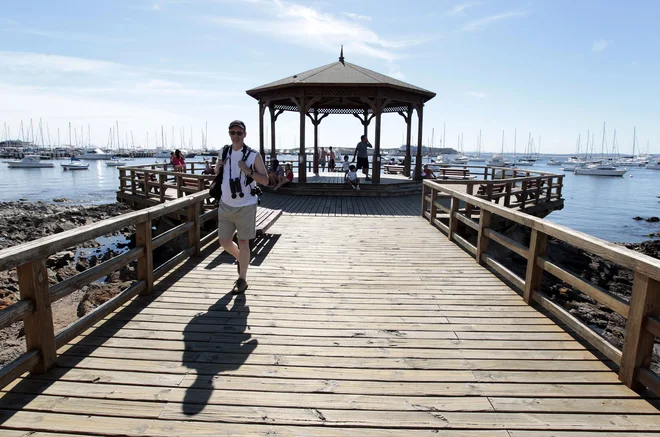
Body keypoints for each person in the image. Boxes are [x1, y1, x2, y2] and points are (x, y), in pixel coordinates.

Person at [214, 120, 269, 294]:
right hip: (225, 204)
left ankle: (242, 279)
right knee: (223, 241)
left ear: (245, 134)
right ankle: (241, 259)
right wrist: (218, 167)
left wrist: (248, 171)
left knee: (243, 241)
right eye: (233, 133)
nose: (236, 136)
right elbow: (218, 174)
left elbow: (266, 180)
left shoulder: (253, 155)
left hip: (246, 205)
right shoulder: (223, 151)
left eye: (239, 133)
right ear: (229, 134)